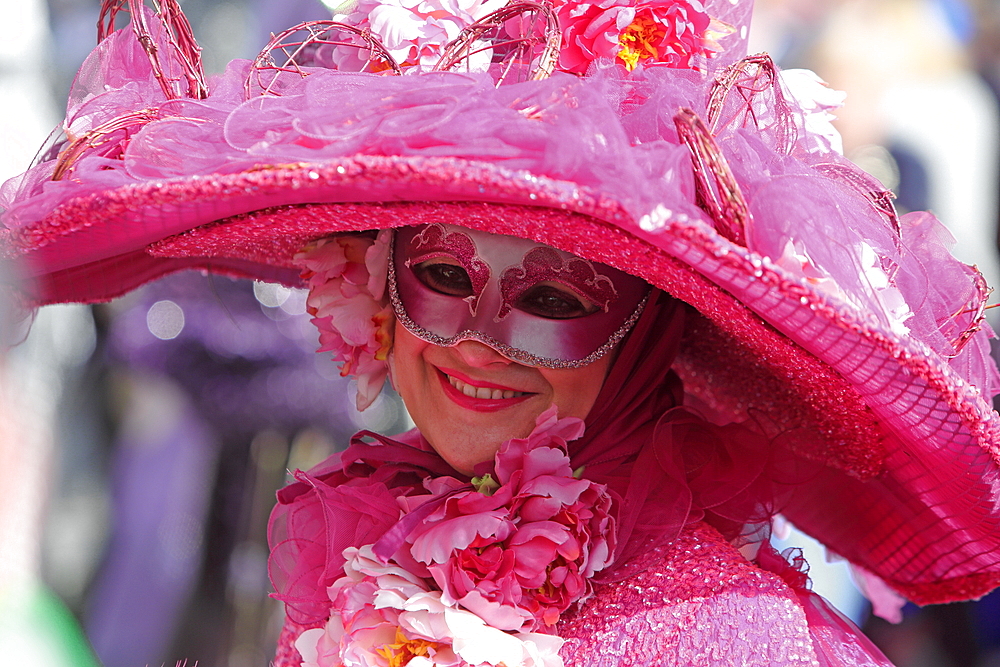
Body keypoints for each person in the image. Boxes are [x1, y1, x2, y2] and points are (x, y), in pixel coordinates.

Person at [3, 0, 1000, 665]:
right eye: (442, 276)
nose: (480, 342)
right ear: (377, 281)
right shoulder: (371, 543)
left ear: (656, 324)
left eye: (556, 300)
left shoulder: (730, 637)